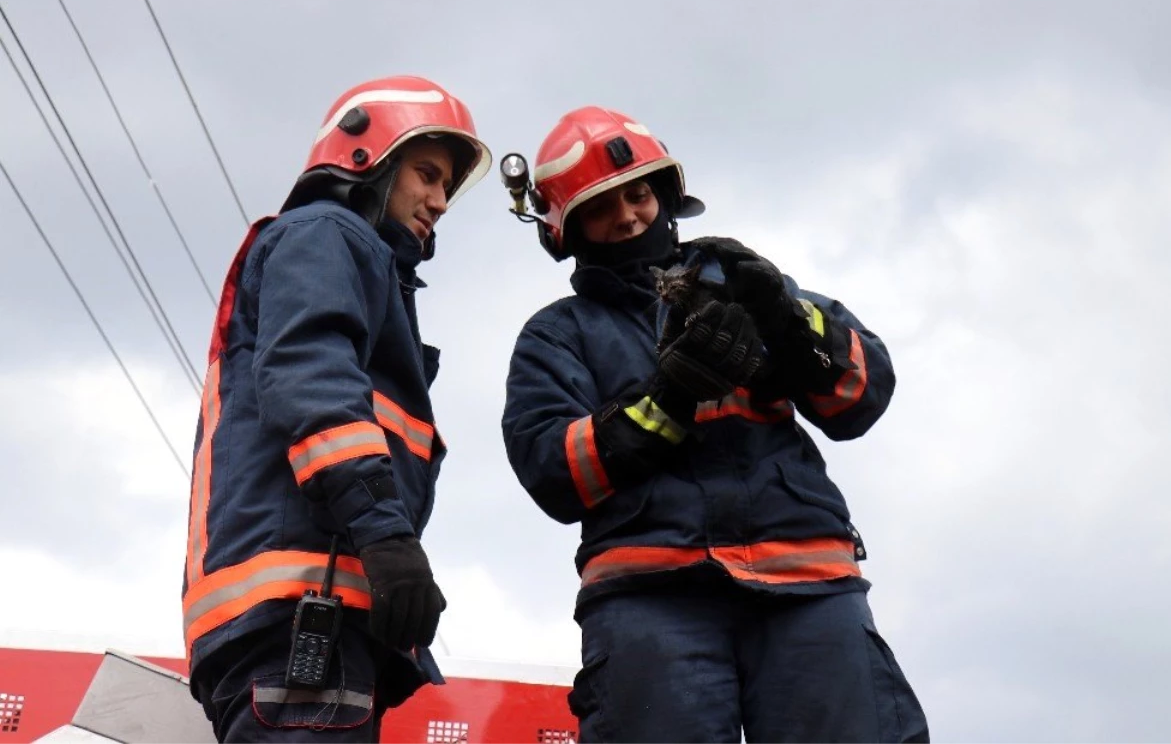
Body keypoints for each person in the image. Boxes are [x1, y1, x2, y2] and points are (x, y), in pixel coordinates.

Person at [500, 106, 929, 743]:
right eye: (600, 207)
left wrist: (791, 322)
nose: (627, 216)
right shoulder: (558, 335)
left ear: (665, 194)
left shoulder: (747, 283)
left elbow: (862, 397)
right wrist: (669, 399)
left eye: (638, 194)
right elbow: (553, 472)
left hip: (807, 583)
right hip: (652, 592)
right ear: (568, 229)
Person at [181, 75, 491, 741]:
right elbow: (310, 377)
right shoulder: (328, 234)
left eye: (448, 186)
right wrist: (386, 536)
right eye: (427, 173)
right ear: (366, 157)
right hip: (303, 606)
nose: (440, 200)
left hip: (297, 611)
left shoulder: (348, 255)